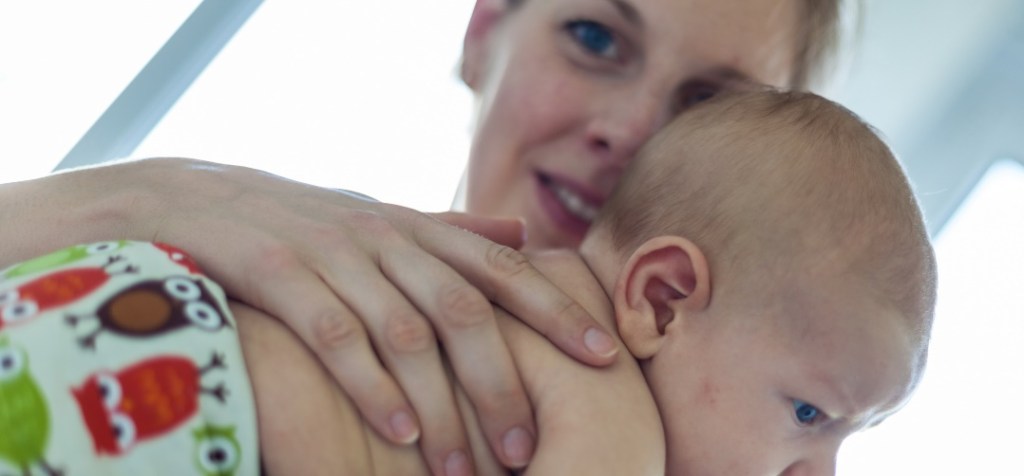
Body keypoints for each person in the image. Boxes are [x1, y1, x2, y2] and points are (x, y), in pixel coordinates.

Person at [0, 0, 848, 471]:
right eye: (595, 37)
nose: (628, 132)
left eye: (708, 108)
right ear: (483, 32)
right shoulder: (215, 234)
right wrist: (130, 197)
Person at [241, 89, 938, 475]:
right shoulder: (613, 415)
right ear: (663, 303)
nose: (821, 473)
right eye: (809, 415)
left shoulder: (465, 272)